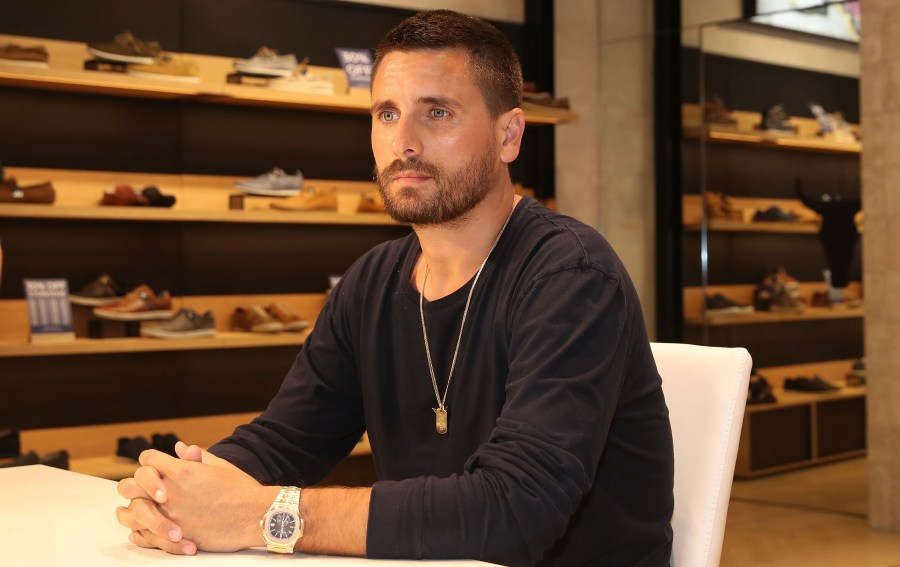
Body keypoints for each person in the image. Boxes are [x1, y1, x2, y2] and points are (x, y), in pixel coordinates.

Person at [115, 9, 674, 566]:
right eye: (386, 113)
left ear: (510, 136)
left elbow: (515, 510)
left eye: (437, 112)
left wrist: (264, 515)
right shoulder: (372, 280)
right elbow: (286, 439)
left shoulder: (571, 277)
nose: (404, 141)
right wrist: (179, 494)